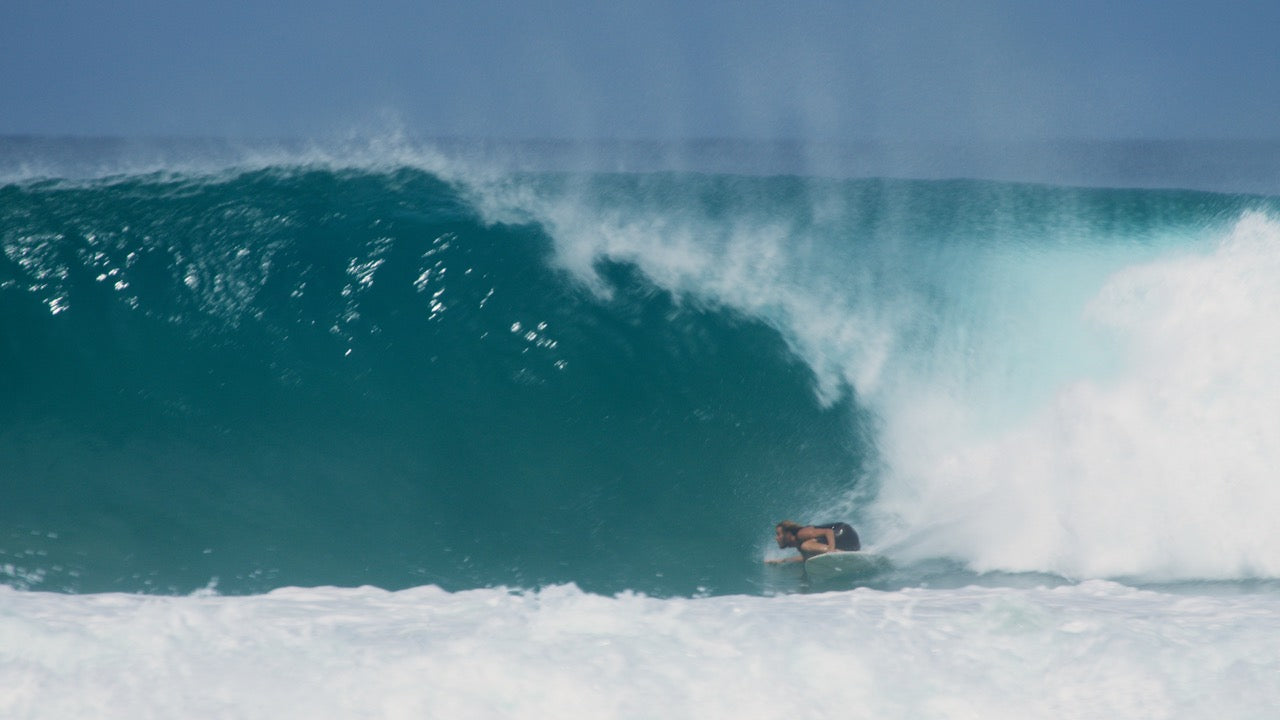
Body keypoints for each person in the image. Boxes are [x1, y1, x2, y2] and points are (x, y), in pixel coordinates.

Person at [767, 520, 861, 563]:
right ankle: (836, 551)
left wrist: (831, 551)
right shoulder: (799, 545)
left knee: (805, 545)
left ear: (788, 534)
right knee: (807, 552)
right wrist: (784, 560)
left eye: (778, 534)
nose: (776, 538)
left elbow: (828, 532)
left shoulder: (802, 534)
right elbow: (806, 558)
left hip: (845, 533)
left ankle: (836, 551)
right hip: (849, 543)